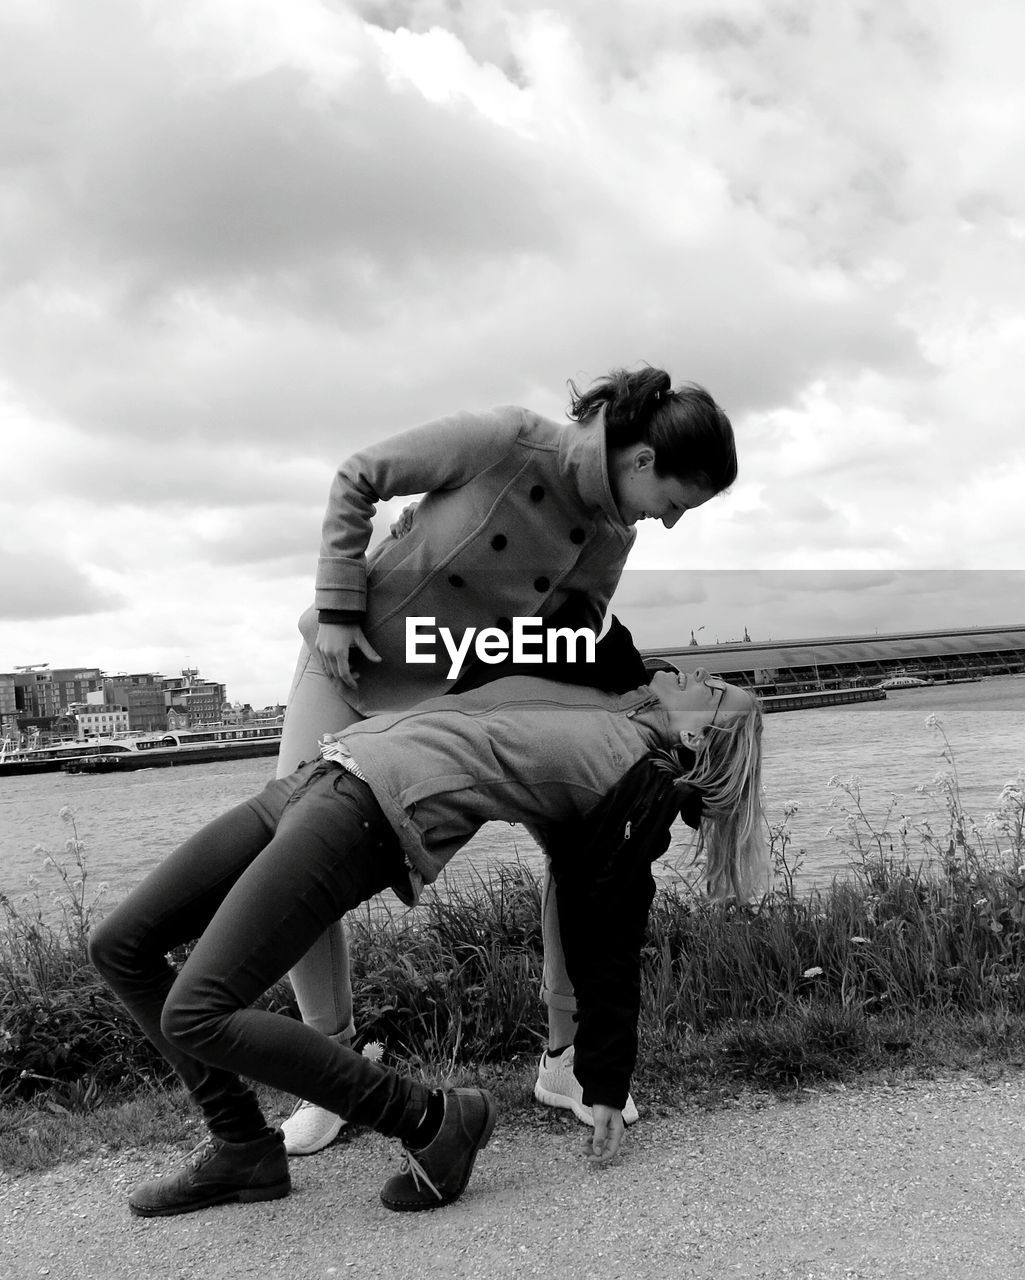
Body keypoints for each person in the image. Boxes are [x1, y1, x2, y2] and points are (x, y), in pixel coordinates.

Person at [89, 666, 765, 1218]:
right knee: (121, 945)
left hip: (363, 814)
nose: (692, 673)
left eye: (708, 691)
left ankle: (428, 1120)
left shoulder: (635, 783)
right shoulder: (607, 695)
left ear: (698, 737)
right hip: (315, 777)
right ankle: (242, 1148)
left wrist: (606, 1083)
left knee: (197, 1010)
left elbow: (611, 935)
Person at [273, 364, 739, 1154]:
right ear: (639, 462)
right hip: (350, 667)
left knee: (582, 843)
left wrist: (624, 718)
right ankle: (333, 1067)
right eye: (673, 504)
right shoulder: (504, 440)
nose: (667, 523)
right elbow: (359, 477)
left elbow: (570, 637)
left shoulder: (611, 534)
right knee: (292, 864)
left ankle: (563, 1059)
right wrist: (342, 609)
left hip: (460, 695)